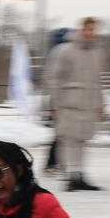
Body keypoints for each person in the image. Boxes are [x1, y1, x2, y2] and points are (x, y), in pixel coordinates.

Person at [48, 18, 106, 191]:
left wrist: (101, 106)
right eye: (87, 29)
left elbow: (99, 81)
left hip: (89, 103)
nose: (90, 33)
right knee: (70, 140)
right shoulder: (66, 50)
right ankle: (71, 175)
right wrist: (55, 104)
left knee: (82, 140)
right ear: (80, 30)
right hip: (69, 102)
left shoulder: (98, 52)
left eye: (93, 30)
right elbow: (56, 78)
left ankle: (79, 175)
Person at [41, 27, 72, 178]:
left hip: (57, 97)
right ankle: (54, 164)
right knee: (63, 134)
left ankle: (55, 163)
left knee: (61, 133)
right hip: (63, 97)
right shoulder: (61, 52)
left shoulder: (54, 53)